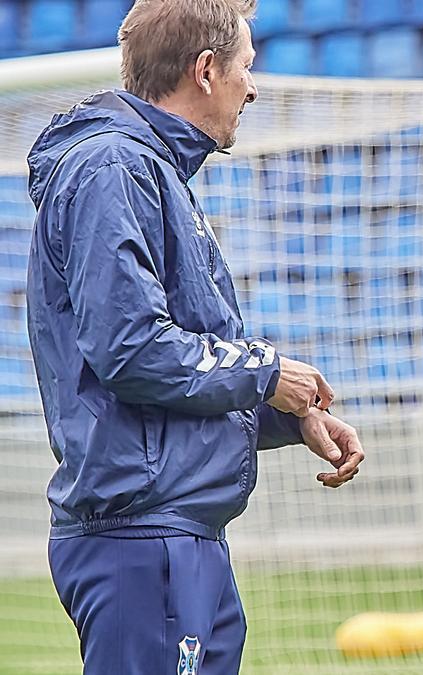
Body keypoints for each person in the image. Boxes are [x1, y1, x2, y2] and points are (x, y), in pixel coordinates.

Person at [24, 1, 364, 672]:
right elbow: (131, 348)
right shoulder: (112, 171)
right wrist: (267, 373)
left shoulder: (150, 172)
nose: (255, 86)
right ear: (206, 70)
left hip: (179, 537)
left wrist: (288, 417)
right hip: (142, 540)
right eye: (246, 66)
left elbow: (166, 381)